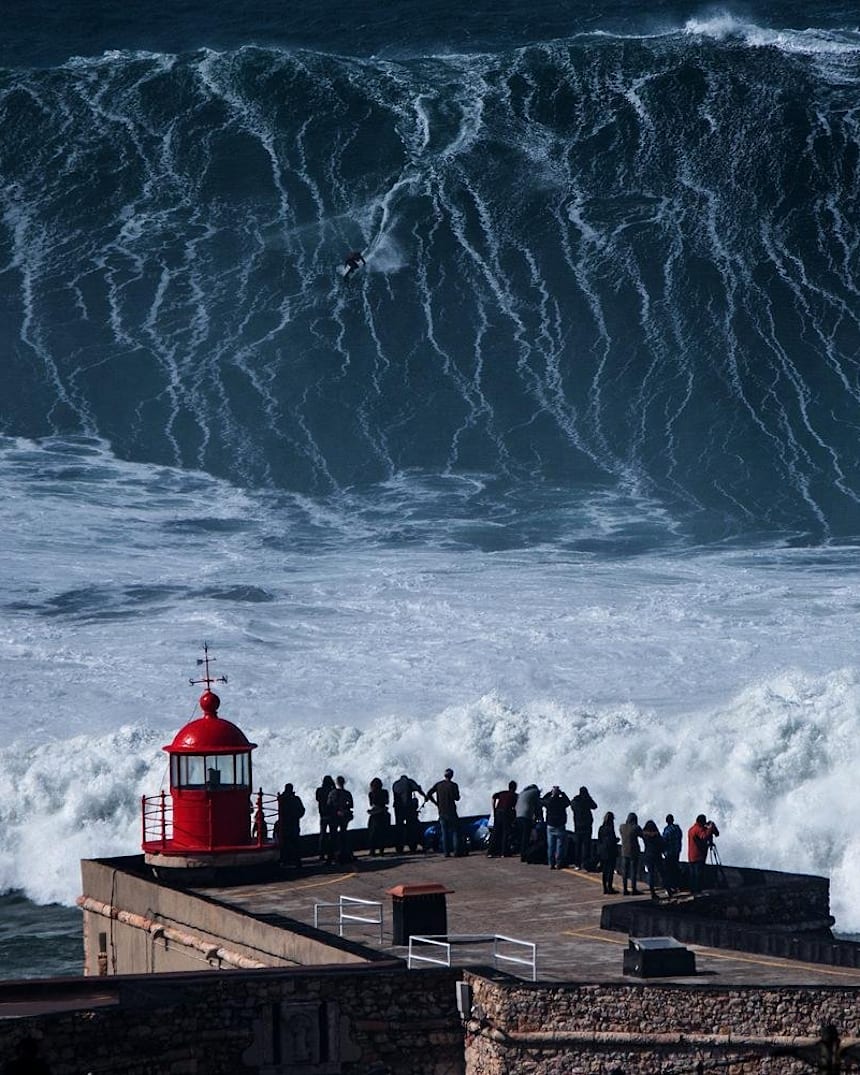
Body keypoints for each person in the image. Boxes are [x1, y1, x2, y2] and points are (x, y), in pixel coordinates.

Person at [425, 768, 461, 857]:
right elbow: (457, 798)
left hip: (441, 811)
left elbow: (429, 793)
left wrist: (436, 803)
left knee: (444, 833)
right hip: (451, 811)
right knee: (455, 831)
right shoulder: (454, 785)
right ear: (452, 776)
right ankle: (456, 852)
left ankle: (446, 853)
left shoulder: (438, 785)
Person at [392, 773, 425, 853]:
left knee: (399, 827)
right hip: (408, 807)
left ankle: (399, 848)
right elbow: (418, 789)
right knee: (411, 827)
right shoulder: (409, 782)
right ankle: (412, 846)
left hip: (398, 808)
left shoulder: (395, 784)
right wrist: (425, 796)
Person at [540, 785, 571, 870]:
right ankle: (558, 863)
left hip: (550, 825)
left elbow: (541, 801)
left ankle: (551, 863)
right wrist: (563, 794)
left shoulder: (549, 801)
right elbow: (568, 802)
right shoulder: (561, 801)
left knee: (551, 846)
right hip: (560, 825)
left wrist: (549, 793)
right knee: (560, 846)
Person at [687, 813, 720, 893]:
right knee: (699, 874)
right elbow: (704, 837)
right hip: (698, 856)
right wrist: (710, 828)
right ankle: (698, 890)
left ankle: (693, 890)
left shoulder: (691, 829)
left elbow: (716, 834)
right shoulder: (698, 829)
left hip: (691, 856)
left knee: (693, 875)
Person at [326, 775, 354, 864]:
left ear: (336, 783)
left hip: (334, 817)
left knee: (333, 836)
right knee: (344, 835)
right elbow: (351, 805)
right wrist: (343, 808)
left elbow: (329, 805)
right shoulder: (347, 793)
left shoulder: (332, 793)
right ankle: (345, 854)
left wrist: (336, 810)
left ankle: (331, 857)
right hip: (344, 816)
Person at [276, 783, 305, 868]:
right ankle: (297, 862)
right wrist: (297, 817)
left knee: (284, 843)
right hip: (294, 823)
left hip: (284, 824)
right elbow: (302, 810)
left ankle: (284, 861)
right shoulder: (296, 799)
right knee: (295, 843)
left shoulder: (281, 799)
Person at [487, 780, 518, 857]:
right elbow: (515, 807)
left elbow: (493, 797)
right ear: (515, 788)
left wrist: (494, 809)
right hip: (506, 813)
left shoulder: (503, 793)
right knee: (505, 832)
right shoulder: (514, 795)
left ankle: (490, 852)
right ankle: (504, 852)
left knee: (495, 832)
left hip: (498, 812)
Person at [571, 786, 598, 870]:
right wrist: (589, 798)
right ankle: (585, 863)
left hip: (577, 826)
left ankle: (577, 864)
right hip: (586, 826)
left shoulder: (575, 801)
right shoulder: (587, 801)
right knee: (586, 846)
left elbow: (571, 805)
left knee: (577, 846)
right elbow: (595, 806)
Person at [515, 783, 542, 862]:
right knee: (525, 837)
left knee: (521, 836)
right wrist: (539, 816)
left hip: (518, 816)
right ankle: (524, 856)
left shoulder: (522, 793)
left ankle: (521, 852)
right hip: (526, 816)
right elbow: (538, 805)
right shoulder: (535, 791)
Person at [641, 819, 667, 898]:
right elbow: (662, 844)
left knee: (651, 874)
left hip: (647, 856)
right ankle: (668, 889)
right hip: (656, 856)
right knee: (662, 873)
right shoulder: (657, 836)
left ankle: (652, 892)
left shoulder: (645, 835)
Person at [619, 812, 643, 895]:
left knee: (625, 872)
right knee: (633, 871)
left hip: (624, 852)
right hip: (634, 852)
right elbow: (642, 835)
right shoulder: (635, 827)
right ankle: (633, 889)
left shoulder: (622, 827)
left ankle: (625, 889)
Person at [596, 810, 619, 894]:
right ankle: (609, 887)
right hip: (610, 852)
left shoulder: (601, 828)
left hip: (603, 852)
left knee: (605, 871)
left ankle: (605, 888)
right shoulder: (610, 829)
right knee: (610, 870)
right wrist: (617, 840)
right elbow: (611, 840)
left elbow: (600, 840)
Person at [367, 777, 391, 856]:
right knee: (382, 833)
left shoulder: (371, 793)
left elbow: (371, 804)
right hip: (383, 813)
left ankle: (372, 850)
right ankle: (381, 851)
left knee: (372, 833)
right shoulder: (385, 792)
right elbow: (387, 802)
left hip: (374, 814)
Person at [315, 775, 336, 862]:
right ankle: (331, 854)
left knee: (322, 835)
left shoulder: (319, 790)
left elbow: (317, 799)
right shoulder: (333, 791)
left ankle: (321, 854)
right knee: (332, 835)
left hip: (323, 815)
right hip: (332, 815)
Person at [662, 813, 683, 892]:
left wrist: (663, 850)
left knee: (669, 871)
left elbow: (664, 840)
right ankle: (677, 886)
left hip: (669, 853)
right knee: (675, 869)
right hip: (676, 852)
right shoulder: (677, 829)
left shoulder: (667, 830)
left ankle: (670, 887)